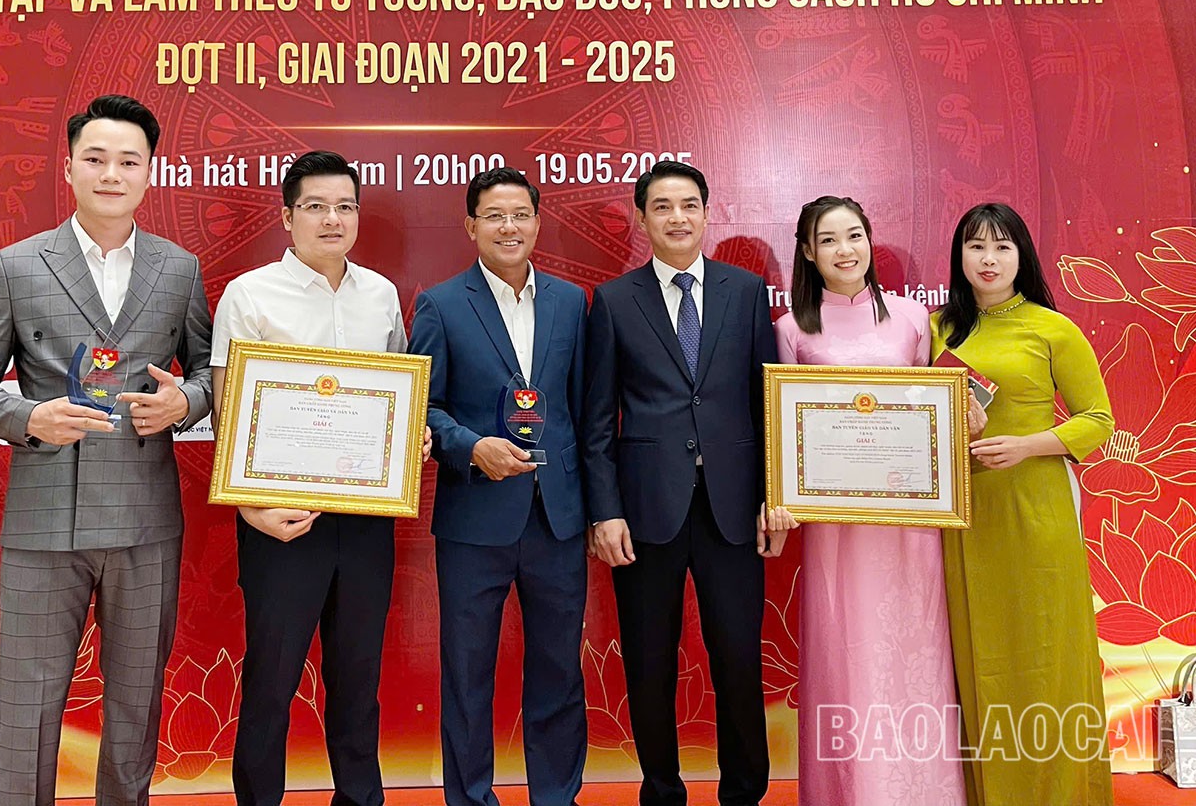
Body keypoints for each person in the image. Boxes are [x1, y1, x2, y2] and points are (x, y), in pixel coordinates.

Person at [0, 94, 213, 806]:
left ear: (151, 172)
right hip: (44, 521)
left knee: (136, 702)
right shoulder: (16, 265)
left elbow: (210, 372)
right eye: (95, 159)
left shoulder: (179, 268)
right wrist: (30, 416)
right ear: (67, 168)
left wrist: (186, 402)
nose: (111, 174)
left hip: (144, 519)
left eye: (128, 161)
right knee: (27, 704)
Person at [210, 150, 427, 806]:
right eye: (315, 206)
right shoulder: (250, 294)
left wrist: (408, 437)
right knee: (272, 680)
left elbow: (396, 392)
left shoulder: (380, 295)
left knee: (358, 677)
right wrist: (251, 509)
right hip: (280, 519)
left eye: (345, 206)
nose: (332, 219)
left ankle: (360, 798)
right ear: (287, 216)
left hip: (365, 520)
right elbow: (226, 408)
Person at [583, 161, 786, 806]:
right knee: (649, 661)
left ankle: (745, 791)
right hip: (647, 509)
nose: (677, 217)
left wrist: (773, 497)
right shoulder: (614, 300)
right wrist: (605, 511)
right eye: (662, 206)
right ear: (642, 218)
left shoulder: (745, 291)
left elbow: (768, 403)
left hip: (733, 506)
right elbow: (596, 420)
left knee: (738, 658)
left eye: (689, 204)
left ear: (706, 212)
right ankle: (662, 790)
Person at [772, 196, 968, 806]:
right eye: (828, 240)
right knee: (845, 656)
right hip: (835, 527)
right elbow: (783, 431)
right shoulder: (790, 328)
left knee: (917, 653)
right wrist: (781, 497)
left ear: (870, 240)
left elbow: (933, 412)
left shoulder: (914, 319)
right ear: (808, 252)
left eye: (854, 236)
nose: (844, 250)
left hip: (908, 521)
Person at [409, 167, 588, 806]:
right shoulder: (441, 304)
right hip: (474, 519)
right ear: (471, 226)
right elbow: (423, 406)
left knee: (559, 670)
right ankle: (470, 798)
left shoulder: (571, 302)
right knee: (466, 674)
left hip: (557, 517)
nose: (508, 227)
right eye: (494, 216)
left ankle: (556, 797)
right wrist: (469, 447)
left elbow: (586, 412)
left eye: (520, 215)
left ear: (537, 222)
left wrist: (598, 509)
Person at [932, 202, 1114, 806]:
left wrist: (1027, 445)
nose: (988, 259)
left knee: (1045, 649)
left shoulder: (1052, 328)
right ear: (959, 255)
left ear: (1022, 256)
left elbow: (1098, 420)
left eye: (1002, 247)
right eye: (976, 246)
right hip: (963, 514)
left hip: (1035, 507)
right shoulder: (937, 329)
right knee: (976, 652)